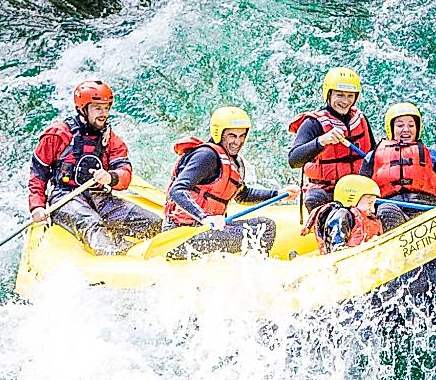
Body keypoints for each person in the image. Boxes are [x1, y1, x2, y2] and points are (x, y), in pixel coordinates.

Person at [29, 80, 162, 255]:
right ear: (83, 109)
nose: (104, 114)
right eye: (98, 108)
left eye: (106, 108)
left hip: (100, 197)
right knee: (91, 223)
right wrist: (37, 206)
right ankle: (111, 258)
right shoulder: (57, 135)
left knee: (153, 224)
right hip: (65, 198)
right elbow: (38, 174)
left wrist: (110, 177)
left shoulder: (111, 139)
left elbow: (124, 171)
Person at [165, 106, 287, 257]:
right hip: (181, 237)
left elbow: (243, 195)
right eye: (232, 136)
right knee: (261, 232)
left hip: (205, 231)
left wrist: (278, 194)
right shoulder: (206, 156)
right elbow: (177, 189)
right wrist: (204, 217)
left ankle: (247, 266)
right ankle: (252, 269)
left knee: (265, 225)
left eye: (242, 136)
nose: (238, 142)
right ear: (219, 134)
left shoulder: (234, 162)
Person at [285, 66, 375, 213]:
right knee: (313, 199)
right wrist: (322, 141)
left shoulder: (360, 119)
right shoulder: (313, 123)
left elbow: (373, 154)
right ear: (329, 94)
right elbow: (294, 160)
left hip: (357, 189)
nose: (345, 101)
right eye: (340, 95)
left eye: (350, 96)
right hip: (325, 190)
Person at [361, 102, 436, 228]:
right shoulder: (372, 157)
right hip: (392, 208)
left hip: (427, 209)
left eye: (411, 125)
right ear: (391, 128)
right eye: (400, 125)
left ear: (417, 129)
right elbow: (362, 193)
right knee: (386, 210)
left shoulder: (433, 156)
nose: (406, 129)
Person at [311, 174, 385, 252]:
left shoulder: (370, 217)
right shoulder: (342, 215)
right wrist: (339, 247)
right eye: (369, 203)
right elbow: (337, 247)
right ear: (352, 199)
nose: (373, 210)